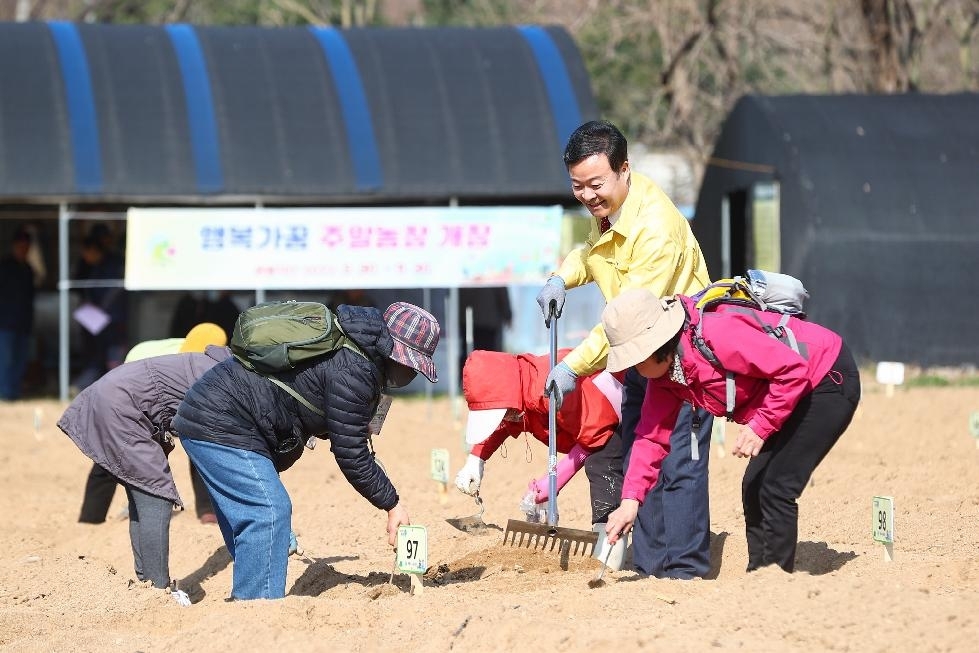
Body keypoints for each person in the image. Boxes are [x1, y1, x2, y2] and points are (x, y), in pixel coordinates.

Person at [534, 120, 714, 579]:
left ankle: (686, 570)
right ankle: (651, 565)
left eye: (596, 184)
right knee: (640, 457)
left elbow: (622, 318)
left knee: (680, 461)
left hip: (684, 357)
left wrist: (573, 366)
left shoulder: (656, 230)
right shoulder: (613, 211)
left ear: (624, 169)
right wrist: (563, 277)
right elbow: (593, 252)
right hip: (640, 354)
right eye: (578, 187)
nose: (589, 196)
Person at [171, 301, 441, 600]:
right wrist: (392, 505)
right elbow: (351, 453)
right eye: (409, 365)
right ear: (394, 352)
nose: (408, 373)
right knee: (269, 511)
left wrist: (342, 425)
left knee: (260, 523)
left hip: (215, 416)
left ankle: (250, 602)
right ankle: (254, 611)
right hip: (222, 422)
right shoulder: (356, 368)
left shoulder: (352, 347)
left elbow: (308, 397)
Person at [601, 288, 861, 573]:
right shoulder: (666, 378)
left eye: (636, 360)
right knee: (754, 487)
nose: (633, 370)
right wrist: (630, 501)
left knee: (775, 486)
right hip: (787, 394)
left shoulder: (718, 335)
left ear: (655, 346)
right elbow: (651, 438)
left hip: (825, 378)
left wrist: (761, 426)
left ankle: (775, 581)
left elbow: (792, 370)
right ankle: (761, 575)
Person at [58, 326, 233, 605]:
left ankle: (147, 583)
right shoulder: (209, 374)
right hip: (123, 408)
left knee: (144, 490)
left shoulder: (199, 364)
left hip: (123, 404)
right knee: (155, 494)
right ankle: (158, 589)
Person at [454, 349, 623, 533]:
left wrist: (556, 478)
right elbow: (502, 424)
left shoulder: (550, 388)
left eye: (504, 412)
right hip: (596, 422)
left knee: (601, 465)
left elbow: (599, 427)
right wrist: (476, 458)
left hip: (620, 411)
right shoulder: (518, 398)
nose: (506, 418)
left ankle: (608, 541)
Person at [76, 323, 228, 525]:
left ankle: (208, 510)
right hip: (137, 399)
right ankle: (92, 517)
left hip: (181, 399)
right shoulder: (144, 355)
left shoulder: (213, 362)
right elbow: (125, 392)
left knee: (201, 442)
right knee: (115, 449)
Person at [72, 232, 129, 391]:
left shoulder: (112, 266)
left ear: (93, 250)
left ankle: (115, 390)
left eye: (85, 252)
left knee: (112, 358)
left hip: (112, 321)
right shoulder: (96, 266)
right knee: (99, 356)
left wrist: (99, 308)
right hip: (99, 321)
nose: (84, 257)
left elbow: (112, 292)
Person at [0, 228, 35, 400]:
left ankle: (13, 394)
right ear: (14, 246)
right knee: (5, 361)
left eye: (26, 247)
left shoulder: (28, 269)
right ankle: (5, 394)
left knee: (20, 362)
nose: (24, 250)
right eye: (21, 246)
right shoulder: (5, 266)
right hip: (5, 323)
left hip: (23, 323)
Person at [457, 287, 512, 381]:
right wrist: (508, 315)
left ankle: (465, 382)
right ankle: (489, 382)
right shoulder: (495, 274)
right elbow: (501, 291)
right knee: (490, 357)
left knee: (469, 354)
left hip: (469, 318)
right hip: (488, 320)